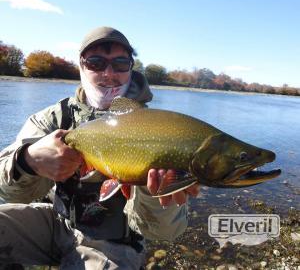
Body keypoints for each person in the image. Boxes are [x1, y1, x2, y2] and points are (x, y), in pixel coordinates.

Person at [0, 26, 200, 269]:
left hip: (116, 244)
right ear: (81, 66)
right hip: (55, 222)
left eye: (120, 63)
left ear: (131, 67)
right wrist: (27, 161)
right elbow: (9, 192)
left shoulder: (158, 130)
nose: (109, 73)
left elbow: (165, 232)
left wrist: (152, 191)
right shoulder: (53, 119)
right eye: (96, 62)